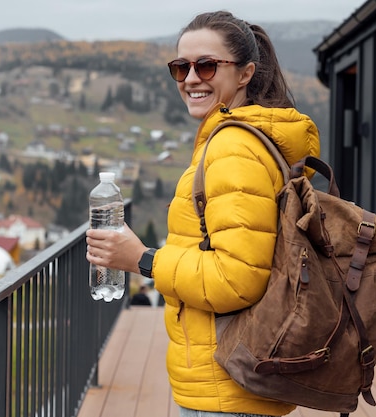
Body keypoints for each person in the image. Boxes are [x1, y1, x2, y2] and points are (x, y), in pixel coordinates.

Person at [86, 10, 320, 417]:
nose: (192, 78)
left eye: (207, 65)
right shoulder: (240, 139)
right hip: (230, 380)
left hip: (227, 387)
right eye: (181, 67)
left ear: (245, 74)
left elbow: (237, 278)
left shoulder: (234, 149)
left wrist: (142, 259)